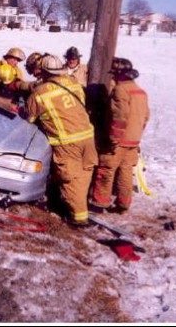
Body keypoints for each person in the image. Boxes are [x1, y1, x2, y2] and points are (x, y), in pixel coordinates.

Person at [26, 54, 98, 227]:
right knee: (83, 175)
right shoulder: (75, 84)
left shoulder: (40, 92)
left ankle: (78, 219)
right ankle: (79, 207)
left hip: (67, 142)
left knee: (69, 179)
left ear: (43, 71)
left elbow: (29, 118)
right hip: (88, 137)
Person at [91, 58, 150, 214]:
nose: (113, 78)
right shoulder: (140, 92)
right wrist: (136, 135)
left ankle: (99, 203)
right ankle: (123, 204)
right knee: (125, 172)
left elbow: (119, 116)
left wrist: (113, 139)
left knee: (106, 170)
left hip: (119, 141)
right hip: (133, 141)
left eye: (114, 75)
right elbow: (145, 117)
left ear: (119, 75)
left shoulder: (120, 90)